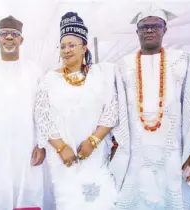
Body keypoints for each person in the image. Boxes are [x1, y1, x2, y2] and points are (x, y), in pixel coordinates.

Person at [110, 6, 190, 209]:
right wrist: (115, 146)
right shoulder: (123, 65)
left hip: (174, 153)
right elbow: (114, 109)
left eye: (155, 25)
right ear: (137, 31)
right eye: (144, 26)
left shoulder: (181, 60)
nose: (149, 30)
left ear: (165, 29)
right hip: (135, 155)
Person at [34, 12, 117, 210]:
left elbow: (111, 111)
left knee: (98, 201)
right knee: (69, 202)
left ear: (84, 47)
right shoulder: (49, 80)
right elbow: (42, 117)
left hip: (95, 156)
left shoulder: (100, 75)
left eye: (72, 45)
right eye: (63, 46)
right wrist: (62, 148)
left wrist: (92, 141)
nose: (66, 50)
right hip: (63, 159)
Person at [0, 16, 47, 210]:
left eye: (14, 34)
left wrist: (41, 144)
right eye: (4, 34)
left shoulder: (35, 71)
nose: (9, 38)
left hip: (28, 147)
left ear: (21, 40)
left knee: (28, 194)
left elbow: (43, 110)